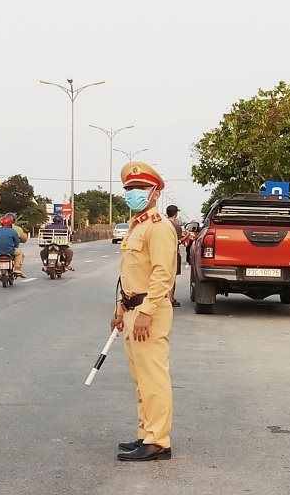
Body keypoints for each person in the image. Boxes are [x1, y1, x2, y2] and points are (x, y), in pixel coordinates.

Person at [110, 161, 177, 462]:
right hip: (132, 310)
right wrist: (119, 309)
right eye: (129, 189)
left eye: (139, 188)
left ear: (155, 193)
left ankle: (159, 441)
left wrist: (147, 312)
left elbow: (163, 274)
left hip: (150, 312)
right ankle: (145, 434)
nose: (133, 193)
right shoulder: (136, 228)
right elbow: (129, 275)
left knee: (153, 378)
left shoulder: (159, 228)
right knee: (141, 379)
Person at [166, 204, 185, 307]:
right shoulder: (176, 226)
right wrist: (187, 236)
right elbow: (178, 241)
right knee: (172, 277)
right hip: (173, 254)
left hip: (160, 253)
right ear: (176, 214)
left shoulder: (161, 224)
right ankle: (171, 298)